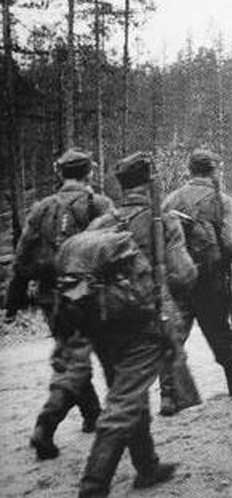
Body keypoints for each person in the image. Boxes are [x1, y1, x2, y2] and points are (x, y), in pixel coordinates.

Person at [78, 152, 198, 497]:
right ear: (149, 183)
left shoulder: (103, 222)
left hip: (103, 324)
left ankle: (147, 466)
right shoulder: (162, 220)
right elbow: (183, 273)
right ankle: (93, 485)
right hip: (144, 323)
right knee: (125, 401)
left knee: (128, 390)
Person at [4, 149, 113, 460]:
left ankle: (93, 414)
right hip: (92, 296)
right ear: (89, 173)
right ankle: (46, 425)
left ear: (60, 174)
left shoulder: (42, 209)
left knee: (71, 357)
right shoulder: (98, 205)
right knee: (98, 362)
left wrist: (13, 302)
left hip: (53, 298)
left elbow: (23, 257)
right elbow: (114, 249)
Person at [159, 149, 232, 416]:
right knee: (220, 333)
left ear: (190, 170)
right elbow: (231, 243)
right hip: (211, 280)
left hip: (178, 279)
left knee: (174, 335)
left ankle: (168, 395)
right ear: (213, 171)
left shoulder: (170, 200)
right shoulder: (222, 201)